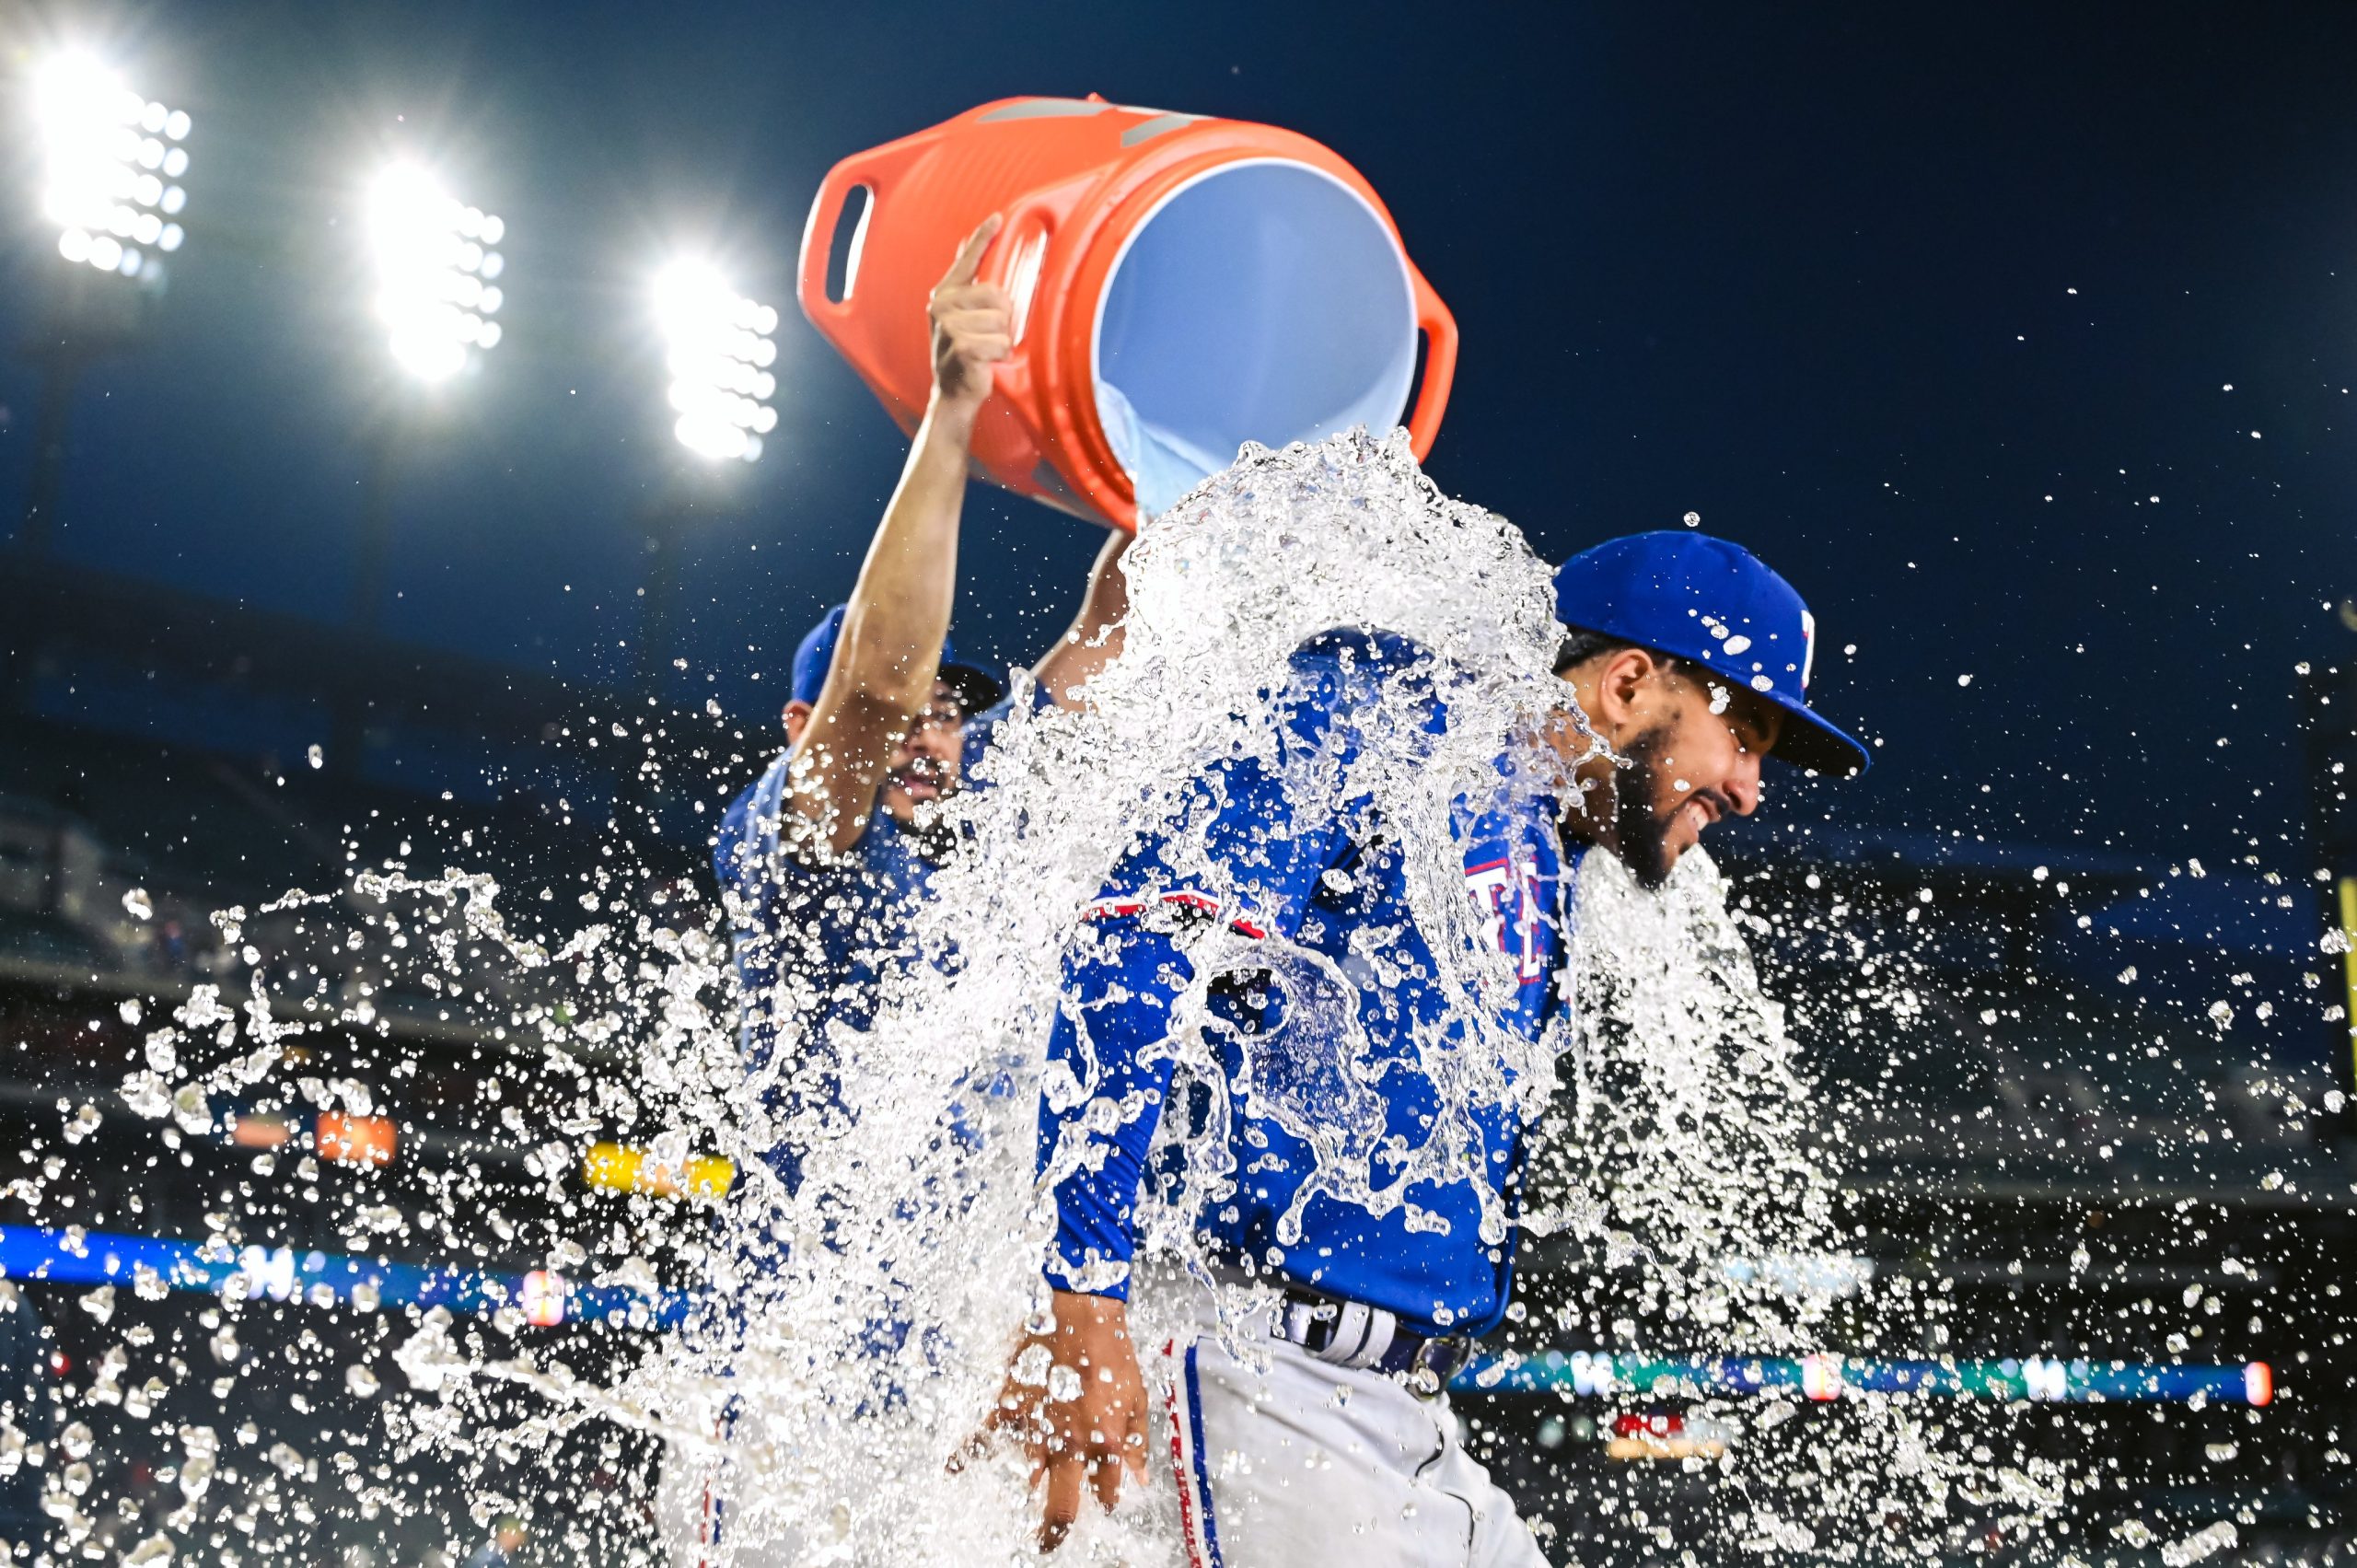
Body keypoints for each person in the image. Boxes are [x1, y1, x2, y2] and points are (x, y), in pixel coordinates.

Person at [985, 530, 1869, 1563]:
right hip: (1255, 1364)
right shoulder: (1383, 709)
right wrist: (1081, 1296)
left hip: (1390, 1404)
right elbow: (1140, 945)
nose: (1750, 788)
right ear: (1629, 682)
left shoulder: (1543, 833)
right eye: (1745, 736)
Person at [666, 215, 1129, 1568]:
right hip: (785, 1407)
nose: (934, 735)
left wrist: (1160, 459)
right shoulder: (802, 842)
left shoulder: (977, 858)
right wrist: (954, 409)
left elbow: (1103, 636)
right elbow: (873, 684)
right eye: (911, 713)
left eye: (953, 717)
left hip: (935, 1421)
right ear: (804, 723)